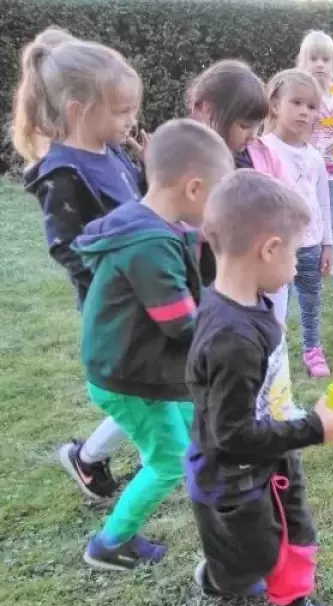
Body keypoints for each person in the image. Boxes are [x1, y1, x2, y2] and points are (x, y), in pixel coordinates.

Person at [186, 169, 333, 606]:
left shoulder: (238, 303)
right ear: (270, 249)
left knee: (274, 538)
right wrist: (313, 428)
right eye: (295, 253)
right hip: (242, 476)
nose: (296, 267)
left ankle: (232, 574)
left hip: (260, 460)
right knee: (277, 545)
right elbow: (233, 436)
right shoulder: (232, 339)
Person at [79, 119, 235, 570]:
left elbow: (183, 246)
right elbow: (182, 325)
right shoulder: (149, 245)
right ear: (193, 188)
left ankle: (210, 479)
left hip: (136, 364)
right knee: (168, 460)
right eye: (216, 199)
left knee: (190, 424)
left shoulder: (148, 223)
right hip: (127, 375)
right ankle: (109, 543)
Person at [15, 28, 146, 500]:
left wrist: (155, 168)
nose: (131, 120)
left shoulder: (112, 152)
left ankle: (95, 456)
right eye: (122, 111)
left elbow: (141, 203)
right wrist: (118, 282)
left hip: (145, 287)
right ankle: (95, 457)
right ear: (79, 112)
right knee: (143, 387)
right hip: (115, 304)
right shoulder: (62, 173)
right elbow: (66, 247)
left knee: (153, 384)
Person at [187, 59, 293, 324]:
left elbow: (282, 198)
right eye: (244, 126)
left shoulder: (256, 154)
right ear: (208, 110)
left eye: (257, 126)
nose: (253, 135)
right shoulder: (187, 156)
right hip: (203, 280)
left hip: (246, 277)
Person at [262, 69, 333, 378]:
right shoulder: (263, 149)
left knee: (311, 300)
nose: (305, 112)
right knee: (275, 304)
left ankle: (312, 349)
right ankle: (272, 353)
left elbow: (323, 202)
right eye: (296, 103)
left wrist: (328, 244)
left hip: (311, 245)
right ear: (275, 105)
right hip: (278, 248)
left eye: (312, 106)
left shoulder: (315, 157)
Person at [298, 29, 333, 282]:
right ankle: (306, 256)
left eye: (325, 59)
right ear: (303, 63)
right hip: (308, 168)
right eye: (313, 59)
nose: (320, 64)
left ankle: (331, 262)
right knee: (310, 211)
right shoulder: (302, 96)